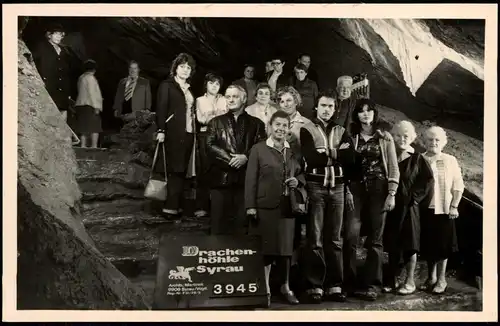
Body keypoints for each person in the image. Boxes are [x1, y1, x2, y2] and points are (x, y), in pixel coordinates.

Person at [339, 98, 399, 301]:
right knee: (351, 235)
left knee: (376, 238)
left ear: (374, 114)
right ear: (356, 115)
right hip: (355, 188)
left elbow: (392, 166)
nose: (365, 114)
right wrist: (346, 188)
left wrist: (391, 193)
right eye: (361, 111)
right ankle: (349, 282)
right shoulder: (351, 137)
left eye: (369, 111)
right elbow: (344, 166)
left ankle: (372, 285)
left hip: (379, 188)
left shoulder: (384, 137)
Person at [245, 110, 305, 306]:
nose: (280, 128)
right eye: (277, 125)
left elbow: (301, 174)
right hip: (264, 207)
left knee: (286, 250)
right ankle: (265, 288)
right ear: (270, 127)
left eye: (284, 126)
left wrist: (298, 180)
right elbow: (250, 179)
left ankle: (285, 286)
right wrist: (250, 206)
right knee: (266, 249)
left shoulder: (292, 151)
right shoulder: (258, 149)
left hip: (287, 207)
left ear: (288, 130)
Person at [299, 90, 351, 303]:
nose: (327, 109)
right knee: (316, 237)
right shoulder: (306, 128)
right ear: (316, 107)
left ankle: (335, 285)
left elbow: (351, 159)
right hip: (316, 186)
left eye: (330, 106)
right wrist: (337, 153)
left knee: (335, 239)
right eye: (323, 105)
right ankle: (315, 286)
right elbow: (311, 158)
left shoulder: (341, 129)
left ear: (334, 109)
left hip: (338, 188)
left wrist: (326, 153)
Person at [206, 84, 266, 235]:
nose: (231, 100)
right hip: (221, 181)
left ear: (244, 99)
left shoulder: (257, 123)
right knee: (218, 226)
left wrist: (246, 157)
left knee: (242, 226)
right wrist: (232, 160)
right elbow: (209, 146)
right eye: (228, 96)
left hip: (245, 182)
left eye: (235, 96)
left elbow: (261, 146)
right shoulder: (215, 122)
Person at [382, 121, 434, 295]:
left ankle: (410, 281)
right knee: (392, 243)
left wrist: (414, 199)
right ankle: (392, 279)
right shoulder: (388, 156)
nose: (402, 139)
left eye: (406, 136)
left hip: (410, 207)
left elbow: (428, 180)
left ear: (412, 138)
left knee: (410, 244)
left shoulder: (418, 158)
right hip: (391, 206)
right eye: (398, 135)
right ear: (393, 136)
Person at [420, 126, 464, 294]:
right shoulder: (420, 158)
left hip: (445, 209)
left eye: (437, 139)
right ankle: (430, 277)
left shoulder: (449, 160)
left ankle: (441, 279)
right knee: (429, 244)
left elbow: (458, 184)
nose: (433, 143)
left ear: (443, 142)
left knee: (443, 245)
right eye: (430, 139)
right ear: (424, 142)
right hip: (425, 208)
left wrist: (454, 206)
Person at [155, 53, 197, 219]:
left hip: (188, 133)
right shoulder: (167, 85)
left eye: (188, 67)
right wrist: (161, 130)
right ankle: (169, 208)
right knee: (173, 169)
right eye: (182, 67)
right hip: (173, 132)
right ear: (175, 68)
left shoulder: (189, 88)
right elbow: (161, 108)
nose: (186, 70)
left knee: (182, 170)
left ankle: (177, 206)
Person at [194, 72, 228, 218]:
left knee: (219, 169)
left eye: (217, 84)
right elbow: (202, 119)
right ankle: (201, 206)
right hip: (205, 136)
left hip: (221, 137)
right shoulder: (200, 100)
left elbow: (226, 117)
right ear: (206, 84)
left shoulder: (224, 99)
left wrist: (213, 115)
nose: (214, 86)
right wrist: (217, 115)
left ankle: (218, 207)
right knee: (204, 169)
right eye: (211, 83)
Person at [32, 23, 73, 121]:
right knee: (49, 113)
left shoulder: (64, 51)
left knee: (63, 111)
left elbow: (67, 72)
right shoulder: (42, 47)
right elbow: (33, 62)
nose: (60, 37)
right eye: (57, 34)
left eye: (61, 34)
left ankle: (63, 135)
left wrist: (68, 90)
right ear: (49, 35)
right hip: (49, 86)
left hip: (62, 88)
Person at [276, 86, 312, 163]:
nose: (286, 105)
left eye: (289, 100)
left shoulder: (307, 123)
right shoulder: (274, 124)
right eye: (282, 102)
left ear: (296, 101)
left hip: (300, 168)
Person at [73, 59, 103, 148]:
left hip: (80, 104)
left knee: (83, 127)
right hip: (89, 105)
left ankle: (83, 145)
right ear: (94, 69)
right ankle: (94, 146)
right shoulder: (91, 78)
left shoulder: (81, 77)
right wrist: (96, 106)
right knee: (95, 127)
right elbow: (92, 93)